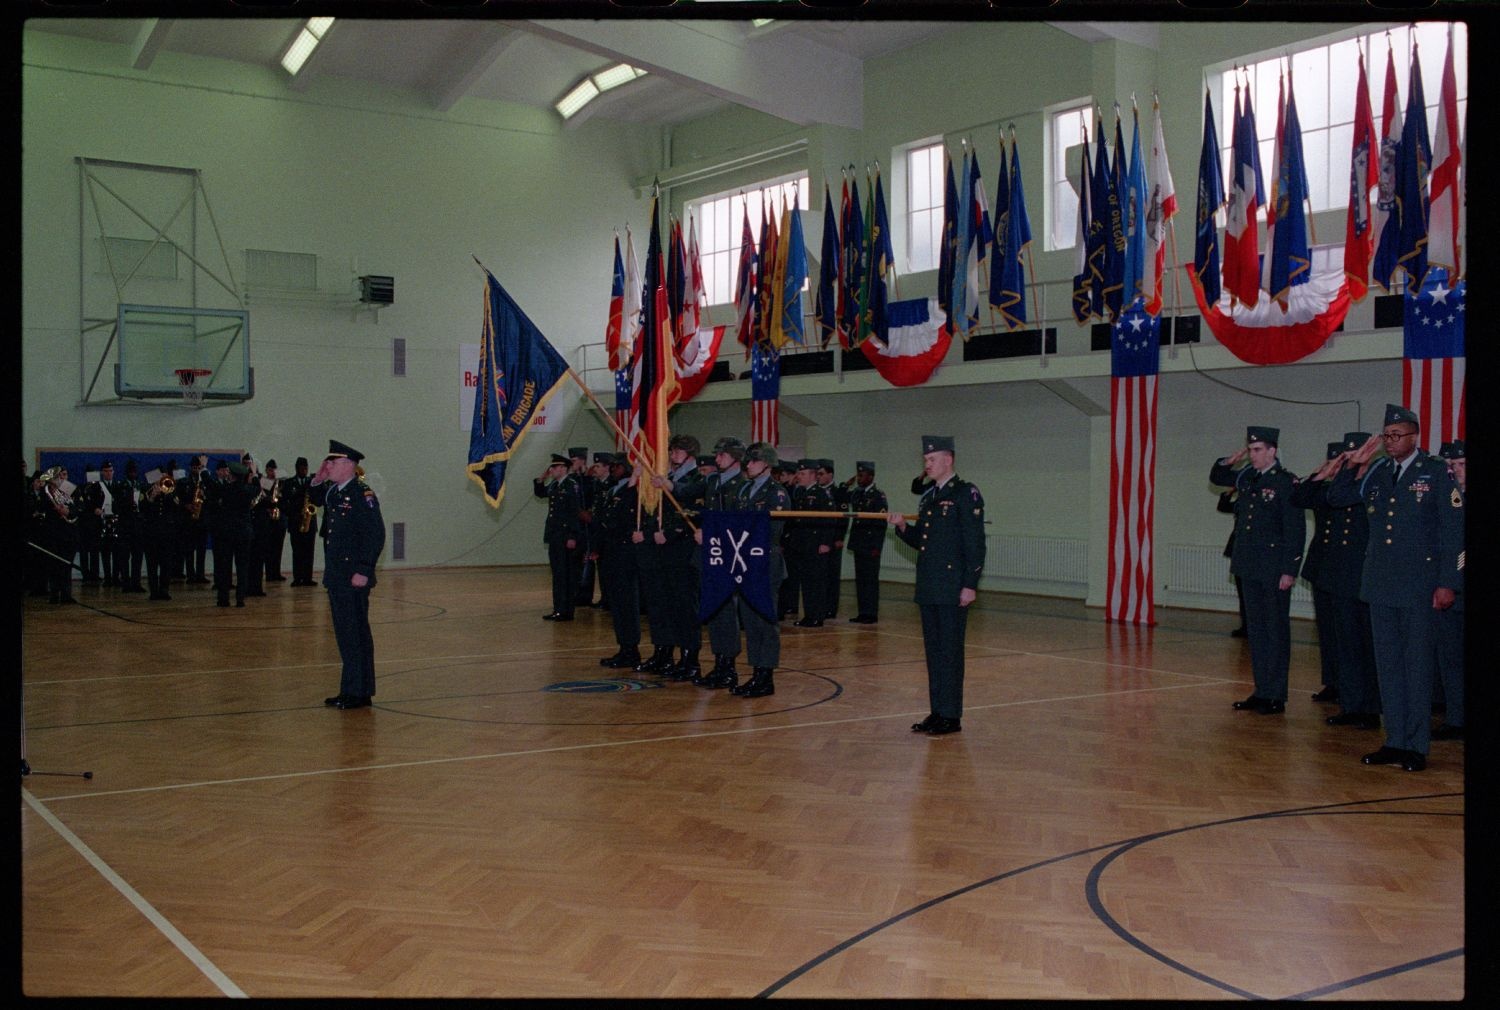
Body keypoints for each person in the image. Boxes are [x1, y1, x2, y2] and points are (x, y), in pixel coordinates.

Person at [1325, 405, 1463, 772]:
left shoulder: (1435, 472)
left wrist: (1450, 582)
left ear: (1414, 436)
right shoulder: (1378, 472)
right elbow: (1336, 498)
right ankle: (1395, 740)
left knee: (1416, 667)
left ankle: (1416, 745)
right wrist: (1354, 464)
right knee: (1388, 667)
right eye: (1386, 435)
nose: (1390, 441)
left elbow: (1455, 535)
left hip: (1421, 587)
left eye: (1397, 435)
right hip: (1381, 585)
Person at [889, 436, 986, 735]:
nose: (926, 464)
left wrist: (970, 584)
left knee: (950, 653)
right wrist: (903, 528)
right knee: (933, 652)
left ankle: (951, 716)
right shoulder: (928, 497)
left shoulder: (965, 493)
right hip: (930, 585)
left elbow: (975, 543)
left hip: (952, 586)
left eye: (932, 460)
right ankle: (937, 711)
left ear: (948, 460)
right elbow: (924, 542)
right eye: (925, 460)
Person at [1211, 426, 1306, 716]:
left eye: (1257, 450)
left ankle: (1276, 694)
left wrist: (1290, 569)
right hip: (1249, 565)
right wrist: (1231, 459)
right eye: (1250, 450)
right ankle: (1261, 690)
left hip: (1273, 568)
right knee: (1256, 632)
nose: (1252, 455)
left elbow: (1295, 530)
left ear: (1272, 451)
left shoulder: (1286, 482)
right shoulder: (1248, 476)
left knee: (1275, 631)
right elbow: (1217, 476)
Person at [1296, 433, 1381, 730]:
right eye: (1346, 455)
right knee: (1344, 643)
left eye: (1354, 454)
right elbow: (1302, 498)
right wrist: (1324, 473)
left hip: (1363, 575)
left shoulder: (1374, 481)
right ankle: (1351, 704)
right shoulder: (1339, 484)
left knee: (1366, 645)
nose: (1350, 459)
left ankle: (1369, 709)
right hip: (1336, 575)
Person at [310, 440, 387, 710]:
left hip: (353, 575)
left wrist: (364, 569)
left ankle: (357, 692)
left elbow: (375, 534)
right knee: (346, 634)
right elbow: (316, 499)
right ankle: (353, 689)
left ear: (348, 465)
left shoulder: (361, 494)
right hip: (338, 575)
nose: (328, 466)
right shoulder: (335, 492)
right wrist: (318, 480)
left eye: (333, 462)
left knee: (355, 634)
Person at [727, 442, 792, 698]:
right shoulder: (744, 490)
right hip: (744, 562)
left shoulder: (777, 494)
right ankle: (756, 673)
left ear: (766, 463)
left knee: (764, 622)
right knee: (751, 621)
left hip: (765, 563)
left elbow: (772, 531)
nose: (748, 465)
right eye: (747, 462)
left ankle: (766, 677)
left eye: (753, 461)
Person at [649, 434, 706, 681]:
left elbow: (693, 512)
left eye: (678, 452)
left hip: (684, 550)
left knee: (686, 607)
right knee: (668, 604)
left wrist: (670, 534)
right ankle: (671, 654)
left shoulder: (700, 479)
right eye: (672, 451)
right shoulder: (671, 478)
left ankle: (690, 659)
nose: (672, 455)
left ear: (690, 455)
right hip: (665, 551)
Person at [696, 436, 747, 687]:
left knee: (727, 613)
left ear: (735, 458)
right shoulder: (713, 481)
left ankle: (729, 667)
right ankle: (719, 663)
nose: (717, 460)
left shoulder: (743, 485)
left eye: (721, 455)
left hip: (731, 558)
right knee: (715, 612)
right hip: (712, 556)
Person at [1432, 439, 1466, 741]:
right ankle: (1456, 718)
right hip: (1450, 591)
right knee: (1450, 657)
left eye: (1462, 465)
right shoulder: (1444, 499)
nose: (1456, 470)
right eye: (1451, 466)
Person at [596, 454, 642, 670]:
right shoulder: (613, 490)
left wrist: (634, 484)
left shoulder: (633, 491)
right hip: (611, 551)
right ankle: (624, 647)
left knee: (626, 603)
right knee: (617, 604)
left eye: (618, 466)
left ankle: (631, 649)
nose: (613, 469)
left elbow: (622, 515)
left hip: (625, 552)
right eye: (612, 466)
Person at [533, 453, 584, 621]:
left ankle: (565, 610)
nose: (552, 470)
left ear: (563, 468)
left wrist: (572, 536)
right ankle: (558, 608)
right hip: (555, 535)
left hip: (565, 536)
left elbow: (574, 512)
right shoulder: (555, 485)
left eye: (554, 467)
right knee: (557, 574)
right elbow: (540, 493)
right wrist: (542, 478)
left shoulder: (571, 485)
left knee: (566, 574)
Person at [790, 458, 834, 628]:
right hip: (803, 544)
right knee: (806, 582)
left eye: (802, 473)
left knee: (816, 582)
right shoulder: (800, 493)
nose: (798, 476)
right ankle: (809, 615)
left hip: (816, 544)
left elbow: (830, 521)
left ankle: (817, 616)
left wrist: (825, 542)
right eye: (798, 473)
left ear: (813, 475)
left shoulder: (823, 494)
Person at [207, 460, 257, 607]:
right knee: (242, 567)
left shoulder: (226, 489)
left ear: (233, 476)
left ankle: (223, 598)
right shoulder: (248, 490)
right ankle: (240, 598)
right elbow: (258, 487)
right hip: (243, 532)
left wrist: (204, 470)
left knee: (224, 567)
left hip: (227, 533)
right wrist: (253, 473)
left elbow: (211, 486)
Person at [845, 461, 888, 623]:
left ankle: (871, 613)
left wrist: (877, 546)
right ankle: (863, 612)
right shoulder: (857, 493)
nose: (859, 479)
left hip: (871, 545)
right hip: (858, 542)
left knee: (870, 580)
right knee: (861, 580)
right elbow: (841, 496)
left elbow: (881, 523)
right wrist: (845, 485)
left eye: (862, 475)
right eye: (858, 475)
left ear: (871, 476)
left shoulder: (878, 495)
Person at [816, 459, 848, 620]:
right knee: (820, 575)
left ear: (830, 474)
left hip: (834, 539)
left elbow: (843, 517)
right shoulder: (817, 492)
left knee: (832, 576)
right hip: (821, 538)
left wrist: (839, 537)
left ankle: (831, 608)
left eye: (821, 474)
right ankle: (821, 606)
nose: (818, 477)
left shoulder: (838, 492)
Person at [282, 457, 320, 586]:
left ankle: (307, 578)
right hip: (295, 522)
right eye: (302, 468)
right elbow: (283, 502)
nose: (304, 470)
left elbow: (318, 500)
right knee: (297, 551)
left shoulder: (312, 483)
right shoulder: (289, 483)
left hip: (310, 521)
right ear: (296, 468)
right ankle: (297, 578)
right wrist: (293, 513)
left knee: (309, 551)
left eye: (306, 468)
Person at [1216, 489, 1249, 638]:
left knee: (1252, 594)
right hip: (1238, 549)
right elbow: (1223, 506)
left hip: (1253, 551)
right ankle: (1246, 626)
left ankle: (1255, 627)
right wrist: (1230, 491)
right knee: (1242, 593)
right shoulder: (1242, 501)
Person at [177, 455, 211, 584]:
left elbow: (210, 500)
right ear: (190, 468)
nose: (196, 470)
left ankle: (200, 574)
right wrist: (186, 506)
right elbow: (177, 500)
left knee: (201, 549)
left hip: (201, 520)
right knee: (189, 549)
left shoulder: (204, 483)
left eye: (198, 468)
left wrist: (204, 496)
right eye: (194, 468)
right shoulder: (184, 482)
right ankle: (190, 575)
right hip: (188, 521)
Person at [258, 459, 288, 583]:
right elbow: (262, 497)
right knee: (268, 548)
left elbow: (285, 474)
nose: (271, 472)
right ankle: (270, 573)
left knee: (278, 547)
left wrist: (277, 477)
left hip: (279, 518)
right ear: (266, 470)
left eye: (273, 470)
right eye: (269, 470)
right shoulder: (264, 481)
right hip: (268, 518)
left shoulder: (280, 482)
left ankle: (276, 572)